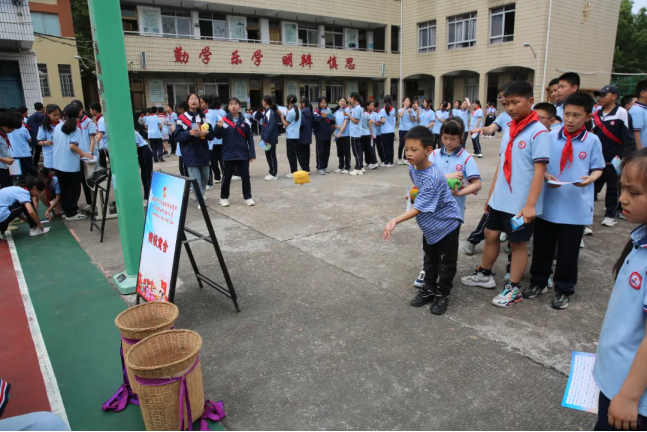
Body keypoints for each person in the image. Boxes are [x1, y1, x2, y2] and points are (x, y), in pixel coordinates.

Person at [461, 81, 551, 308]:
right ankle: (484, 274)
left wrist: (530, 205)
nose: (510, 108)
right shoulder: (511, 126)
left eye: (515, 102)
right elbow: (504, 164)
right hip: (501, 199)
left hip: (520, 203)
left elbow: (539, 171)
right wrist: (492, 196)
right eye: (506, 103)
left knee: (517, 244)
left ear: (530, 102)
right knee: (490, 234)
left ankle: (513, 289)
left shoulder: (539, 132)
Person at [524, 93, 605, 310]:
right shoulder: (549, 135)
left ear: (588, 116)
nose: (570, 120)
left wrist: (591, 179)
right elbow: (540, 162)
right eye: (567, 114)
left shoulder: (592, 140)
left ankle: (563, 289)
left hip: (575, 205)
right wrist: (547, 175)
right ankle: (538, 282)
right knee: (542, 247)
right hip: (549, 202)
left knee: (569, 252)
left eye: (576, 115)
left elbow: (598, 168)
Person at [592, 148, 647, 432]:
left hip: (632, 393)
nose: (623, 198)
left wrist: (628, 395)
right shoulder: (640, 239)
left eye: (634, 193)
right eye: (622, 188)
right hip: (617, 378)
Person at [383, 126, 463, 316]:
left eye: (414, 149)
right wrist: (414, 194)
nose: (408, 153)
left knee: (446, 263)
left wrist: (394, 220)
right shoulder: (413, 167)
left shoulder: (433, 175)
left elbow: (419, 208)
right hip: (430, 225)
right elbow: (419, 187)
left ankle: (442, 294)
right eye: (406, 149)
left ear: (428, 151)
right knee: (429, 259)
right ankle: (428, 289)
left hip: (447, 224)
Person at [414, 117, 482, 289]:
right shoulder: (434, 154)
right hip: (430, 211)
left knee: (448, 250)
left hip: (452, 213)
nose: (448, 142)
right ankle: (427, 272)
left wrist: (459, 192)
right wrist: (448, 177)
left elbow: (477, 184)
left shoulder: (466, 159)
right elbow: (422, 176)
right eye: (445, 138)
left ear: (461, 137)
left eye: (453, 138)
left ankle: (444, 282)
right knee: (429, 245)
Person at [592, 85, 636, 227]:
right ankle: (588, 213)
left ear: (614, 96)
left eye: (605, 94)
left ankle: (611, 214)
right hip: (597, 159)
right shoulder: (596, 114)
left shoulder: (622, 113)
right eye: (600, 95)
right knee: (592, 187)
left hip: (615, 158)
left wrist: (625, 157)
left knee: (613, 187)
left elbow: (628, 137)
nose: (601, 97)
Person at [53, 104, 93, 221]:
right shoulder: (75, 128)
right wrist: (85, 154)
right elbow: (72, 146)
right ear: (78, 114)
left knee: (64, 189)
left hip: (58, 163)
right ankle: (71, 213)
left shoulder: (58, 126)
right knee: (73, 189)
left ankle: (67, 210)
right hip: (70, 164)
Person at [174, 93, 214, 209]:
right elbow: (177, 136)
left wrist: (206, 133)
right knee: (195, 178)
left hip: (203, 152)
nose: (194, 101)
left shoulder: (203, 117)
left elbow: (211, 135)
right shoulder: (182, 118)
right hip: (189, 153)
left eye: (196, 99)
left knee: (205, 177)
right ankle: (199, 201)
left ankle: (200, 195)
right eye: (191, 99)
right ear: (188, 102)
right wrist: (189, 133)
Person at [216, 97, 256, 207]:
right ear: (228, 107)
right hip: (228, 153)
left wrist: (252, 153)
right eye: (231, 104)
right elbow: (218, 136)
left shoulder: (245, 121)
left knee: (245, 176)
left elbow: (250, 139)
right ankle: (223, 197)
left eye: (236, 104)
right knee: (227, 176)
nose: (233, 106)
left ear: (239, 107)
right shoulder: (223, 120)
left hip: (242, 153)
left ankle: (248, 197)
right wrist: (218, 127)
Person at [71, 100, 94, 211]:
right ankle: (88, 202)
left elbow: (92, 139)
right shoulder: (73, 123)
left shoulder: (88, 122)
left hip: (88, 156)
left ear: (81, 110)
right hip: (77, 156)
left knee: (90, 181)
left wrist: (90, 152)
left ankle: (94, 202)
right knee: (81, 181)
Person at [206, 96, 227, 187]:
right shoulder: (223, 112)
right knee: (223, 159)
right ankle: (225, 176)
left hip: (212, 141)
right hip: (222, 139)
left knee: (213, 161)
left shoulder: (208, 112)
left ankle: (217, 176)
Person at [8, 107, 33, 179]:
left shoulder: (8, 129)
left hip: (13, 154)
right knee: (27, 172)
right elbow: (29, 140)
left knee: (15, 173)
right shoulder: (24, 129)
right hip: (25, 153)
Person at [37, 105, 62, 172]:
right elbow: (39, 141)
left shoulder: (63, 124)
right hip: (50, 156)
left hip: (62, 156)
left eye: (58, 115)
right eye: (54, 115)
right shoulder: (44, 126)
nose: (57, 117)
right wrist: (44, 142)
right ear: (48, 114)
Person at [0, 111, 22, 189]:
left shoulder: (4, 134)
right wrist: (3, 159)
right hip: (1, 166)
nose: (12, 130)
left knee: (9, 186)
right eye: (11, 128)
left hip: (6, 166)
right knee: (4, 188)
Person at [282, 94, 301, 178]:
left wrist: (281, 117)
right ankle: (294, 170)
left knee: (291, 154)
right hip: (296, 135)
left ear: (289, 101)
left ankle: (294, 171)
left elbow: (286, 124)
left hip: (290, 135)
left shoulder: (292, 111)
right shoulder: (297, 110)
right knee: (294, 154)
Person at [314, 96, 334, 175]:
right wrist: (322, 116)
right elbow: (315, 120)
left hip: (327, 133)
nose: (323, 104)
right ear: (319, 103)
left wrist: (333, 119)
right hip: (319, 134)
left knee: (327, 151)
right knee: (320, 151)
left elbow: (332, 122)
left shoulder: (328, 111)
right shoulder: (316, 111)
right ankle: (319, 167)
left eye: (324, 103)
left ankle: (325, 166)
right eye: (322, 103)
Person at [261, 95, 279, 181]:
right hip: (267, 139)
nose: (262, 102)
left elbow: (270, 127)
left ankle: (274, 173)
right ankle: (271, 171)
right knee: (268, 155)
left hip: (270, 139)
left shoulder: (270, 112)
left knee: (272, 156)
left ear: (265, 102)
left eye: (262, 101)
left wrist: (266, 139)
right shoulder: (267, 112)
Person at [346, 92, 365, 176]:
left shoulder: (357, 108)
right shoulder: (357, 107)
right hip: (356, 132)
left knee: (356, 151)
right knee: (358, 150)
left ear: (353, 98)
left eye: (350, 98)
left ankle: (358, 168)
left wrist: (348, 115)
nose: (349, 99)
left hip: (355, 133)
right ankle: (360, 167)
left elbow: (356, 121)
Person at [134, 127, 153, 204]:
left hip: (143, 151)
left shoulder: (130, 131)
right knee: (144, 174)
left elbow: (135, 145)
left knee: (146, 174)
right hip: (141, 151)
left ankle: (148, 195)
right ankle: (147, 194)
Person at [397, 97, 417, 165]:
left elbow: (412, 120)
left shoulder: (412, 110)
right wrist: (405, 108)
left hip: (409, 129)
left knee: (407, 145)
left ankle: (405, 158)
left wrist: (409, 113)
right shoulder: (400, 110)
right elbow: (400, 115)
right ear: (403, 102)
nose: (407, 102)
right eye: (406, 101)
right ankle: (399, 158)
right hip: (402, 129)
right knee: (401, 144)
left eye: (408, 101)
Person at [333, 97, 351, 174]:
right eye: (341, 101)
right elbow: (333, 124)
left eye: (344, 101)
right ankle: (341, 166)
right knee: (339, 151)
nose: (342, 102)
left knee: (346, 151)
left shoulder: (347, 110)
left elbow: (345, 122)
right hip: (337, 134)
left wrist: (340, 133)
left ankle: (347, 167)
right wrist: (337, 127)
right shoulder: (336, 111)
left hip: (345, 134)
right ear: (338, 102)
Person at [88, 103, 109, 168]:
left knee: (105, 164)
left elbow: (101, 134)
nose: (90, 112)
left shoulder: (101, 120)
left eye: (90, 110)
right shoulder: (100, 119)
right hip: (103, 146)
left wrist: (94, 145)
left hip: (106, 146)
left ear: (94, 111)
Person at [629, 79, 647, 151]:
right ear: (642, 93)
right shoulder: (637, 110)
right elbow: (636, 134)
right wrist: (640, 155)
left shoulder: (644, 109)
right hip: (641, 154)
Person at [379, 95, 397, 167]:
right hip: (391, 130)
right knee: (391, 146)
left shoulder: (382, 110)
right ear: (391, 101)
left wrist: (379, 121)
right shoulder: (393, 110)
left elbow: (383, 121)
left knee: (385, 147)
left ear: (384, 101)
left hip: (384, 131)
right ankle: (391, 161)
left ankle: (387, 161)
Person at [27, 103, 46, 167]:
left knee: (36, 152)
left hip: (34, 137)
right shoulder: (45, 118)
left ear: (34, 108)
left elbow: (28, 129)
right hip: (45, 138)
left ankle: (35, 165)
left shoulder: (29, 118)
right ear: (42, 108)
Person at [361, 100, 378, 170]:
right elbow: (369, 124)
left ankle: (373, 162)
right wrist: (371, 133)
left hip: (363, 134)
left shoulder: (362, 115)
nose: (373, 106)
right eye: (371, 105)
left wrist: (371, 133)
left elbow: (370, 123)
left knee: (368, 149)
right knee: (368, 149)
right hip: (367, 133)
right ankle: (369, 162)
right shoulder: (366, 114)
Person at [299, 97, 313, 173]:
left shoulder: (302, 112)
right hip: (308, 136)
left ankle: (305, 168)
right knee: (306, 153)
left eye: (299, 103)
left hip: (302, 136)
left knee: (301, 153)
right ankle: (307, 168)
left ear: (303, 104)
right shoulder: (309, 111)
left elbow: (302, 123)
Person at [175, 102, 188, 176]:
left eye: (178, 109)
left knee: (184, 167)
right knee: (182, 167)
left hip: (185, 146)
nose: (177, 110)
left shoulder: (184, 118)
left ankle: (187, 183)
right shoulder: (180, 117)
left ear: (182, 108)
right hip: (181, 145)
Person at [370, 101, 384, 166]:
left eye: (375, 107)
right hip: (371, 133)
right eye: (372, 106)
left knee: (379, 148)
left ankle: (383, 160)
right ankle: (371, 161)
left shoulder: (379, 113)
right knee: (371, 148)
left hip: (378, 133)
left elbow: (380, 122)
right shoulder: (369, 113)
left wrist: (377, 121)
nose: (373, 108)